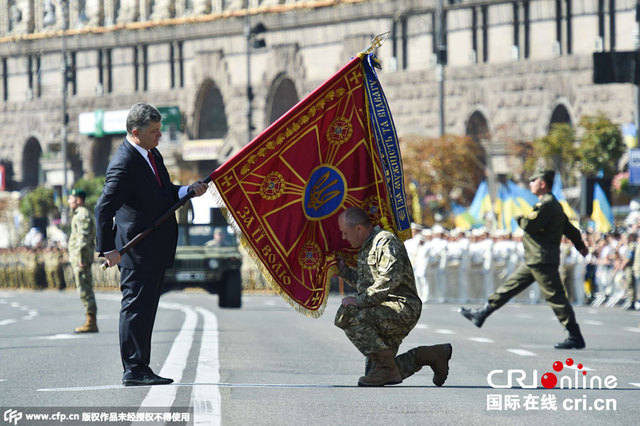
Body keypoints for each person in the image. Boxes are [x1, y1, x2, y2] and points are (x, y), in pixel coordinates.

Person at [95, 103, 209, 387]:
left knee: (146, 311)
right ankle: (133, 369)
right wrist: (108, 248)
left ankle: (141, 366)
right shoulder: (124, 162)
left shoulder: (151, 154)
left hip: (154, 248)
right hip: (135, 249)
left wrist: (187, 191)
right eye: (154, 131)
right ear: (136, 132)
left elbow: (163, 192)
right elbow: (103, 208)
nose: (160, 136)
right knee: (135, 309)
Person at [459, 170, 589, 349]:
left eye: (534, 181)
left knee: (556, 297)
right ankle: (482, 313)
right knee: (509, 287)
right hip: (535, 259)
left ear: (542, 184)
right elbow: (570, 229)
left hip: (542, 259)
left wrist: (520, 218)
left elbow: (531, 225)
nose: (530, 184)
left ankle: (575, 335)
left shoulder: (548, 204)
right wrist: (580, 244)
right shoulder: (552, 204)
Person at [334, 207, 453, 387]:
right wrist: (342, 270)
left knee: (348, 314)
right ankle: (432, 355)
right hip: (383, 307)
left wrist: (359, 301)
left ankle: (386, 367)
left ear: (358, 228)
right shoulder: (368, 246)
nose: (344, 237)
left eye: (345, 232)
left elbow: (389, 279)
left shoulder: (384, 242)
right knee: (376, 373)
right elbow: (366, 283)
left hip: (401, 307)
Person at [68, 188, 97, 333]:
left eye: (71, 198)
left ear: (78, 199)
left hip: (82, 259)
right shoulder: (80, 214)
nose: (69, 201)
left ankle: (91, 321)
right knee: (84, 288)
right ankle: (90, 320)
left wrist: (80, 258)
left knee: (84, 289)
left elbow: (83, 238)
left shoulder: (82, 215)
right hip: (81, 258)